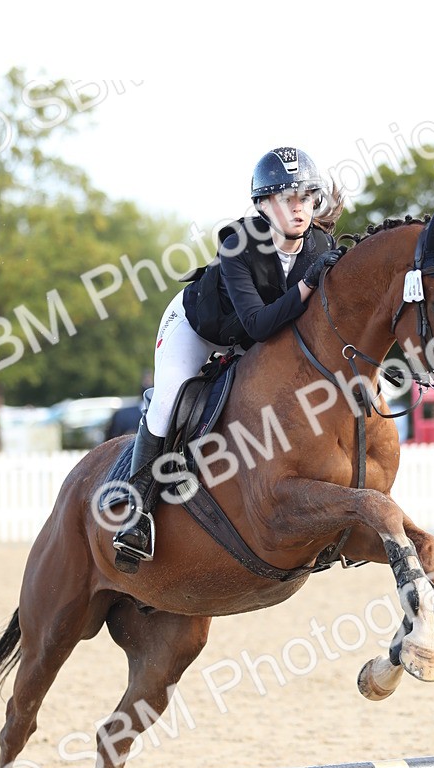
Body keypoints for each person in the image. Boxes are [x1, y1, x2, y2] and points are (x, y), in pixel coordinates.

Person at [113, 147, 342, 569]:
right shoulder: (240, 244)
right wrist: (309, 284)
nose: (299, 207)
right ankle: (136, 512)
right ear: (262, 205)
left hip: (251, 338)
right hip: (199, 329)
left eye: (307, 197)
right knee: (168, 400)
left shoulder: (320, 246)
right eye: (286, 197)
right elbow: (256, 324)